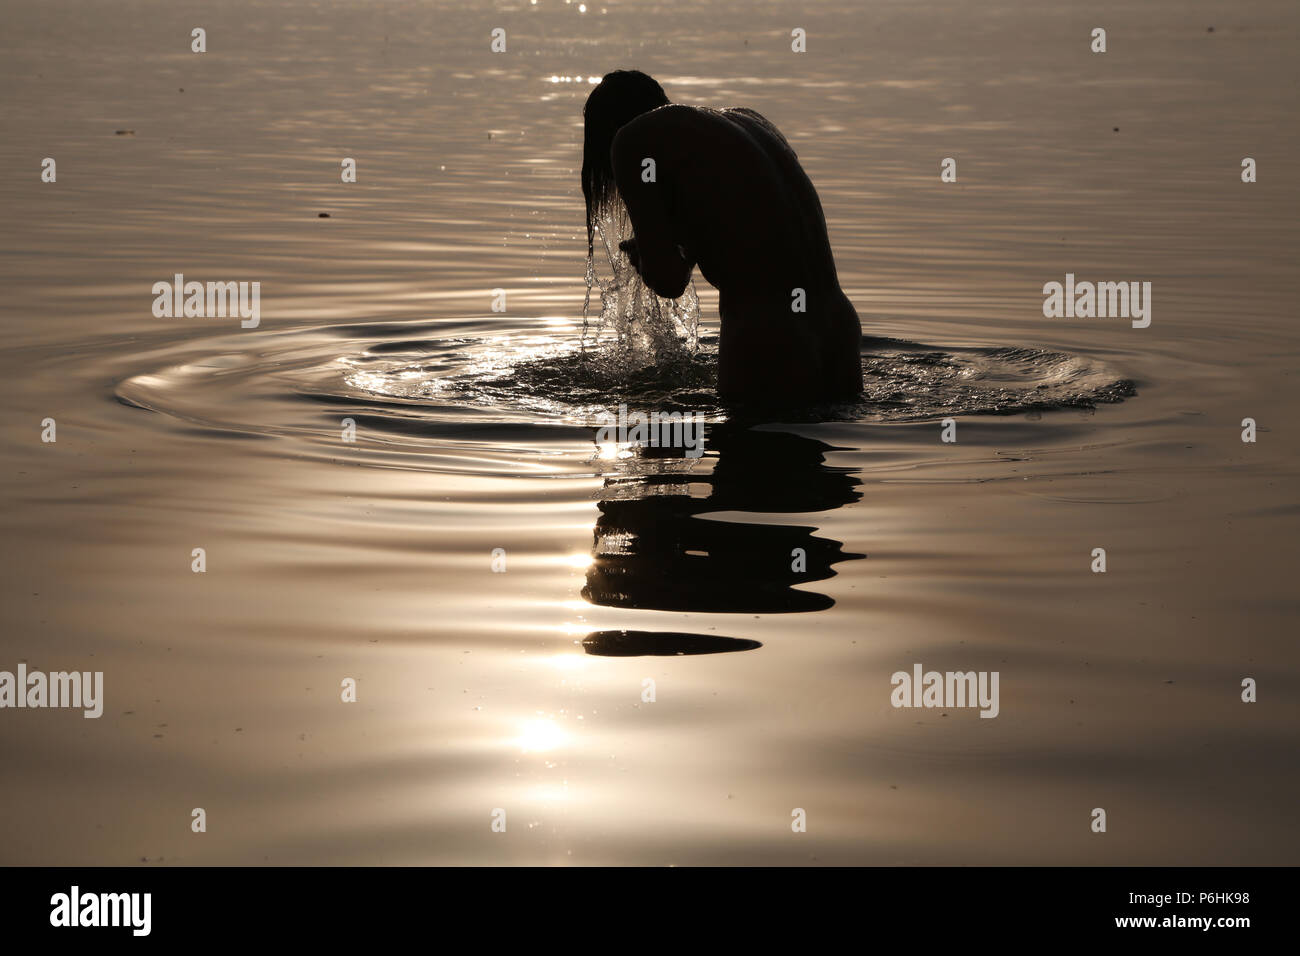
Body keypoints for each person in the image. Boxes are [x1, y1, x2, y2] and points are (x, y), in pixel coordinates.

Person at [582, 70, 863, 404]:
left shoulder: (631, 140)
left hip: (766, 337)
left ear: (607, 133)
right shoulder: (750, 123)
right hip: (838, 330)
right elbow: (744, 234)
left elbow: (668, 280)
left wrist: (645, 257)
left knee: (750, 450)